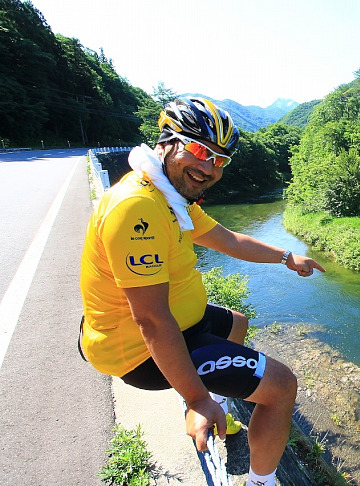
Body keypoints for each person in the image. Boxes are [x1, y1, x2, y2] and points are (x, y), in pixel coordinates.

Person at [79, 96, 325, 486]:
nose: (209, 166)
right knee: (282, 387)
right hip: (138, 351)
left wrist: (287, 256)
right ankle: (262, 481)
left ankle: (222, 404)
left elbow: (229, 240)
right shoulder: (137, 208)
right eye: (199, 150)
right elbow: (152, 320)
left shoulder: (170, 196)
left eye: (220, 160)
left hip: (177, 325)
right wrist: (195, 399)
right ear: (166, 143)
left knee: (236, 323)